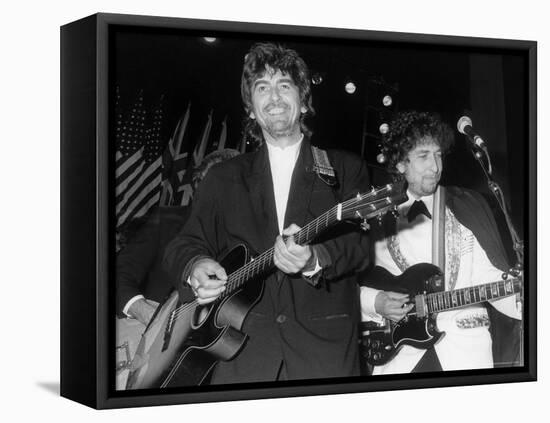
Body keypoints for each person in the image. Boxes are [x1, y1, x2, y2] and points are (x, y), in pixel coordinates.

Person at [163, 42, 371, 384]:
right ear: (250, 109)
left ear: (304, 102)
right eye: (262, 88)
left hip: (324, 357)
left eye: (284, 86)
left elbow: (361, 248)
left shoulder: (344, 168)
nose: (273, 97)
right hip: (239, 359)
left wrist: (314, 259)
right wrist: (195, 266)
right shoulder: (223, 177)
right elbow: (182, 244)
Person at [360, 111, 522, 374]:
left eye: (438, 155)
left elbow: (488, 276)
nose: (435, 167)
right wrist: (374, 301)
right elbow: (344, 287)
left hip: (466, 353)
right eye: (423, 156)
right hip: (401, 357)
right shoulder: (375, 218)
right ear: (401, 163)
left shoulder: (470, 205)